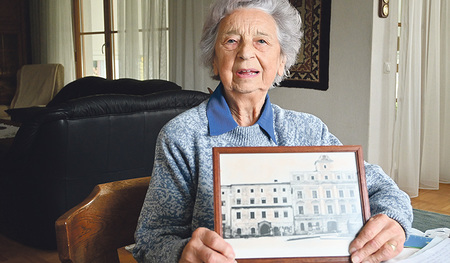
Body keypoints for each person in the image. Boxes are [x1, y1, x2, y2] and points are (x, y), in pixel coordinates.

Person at [133, 0, 413, 262]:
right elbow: (150, 240)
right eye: (231, 41)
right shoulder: (182, 136)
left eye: (262, 41)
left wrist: (394, 221)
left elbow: (384, 189)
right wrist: (183, 252)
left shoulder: (308, 130)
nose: (245, 53)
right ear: (214, 61)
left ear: (282, 61)